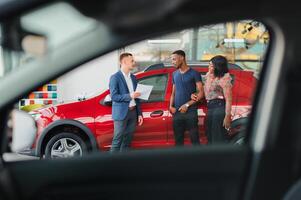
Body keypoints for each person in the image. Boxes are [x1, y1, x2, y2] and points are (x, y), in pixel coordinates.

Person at [192, 55, 232, 144]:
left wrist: (227, 116)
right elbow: (204, 91)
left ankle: (219, 157)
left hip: (219, 107)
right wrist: (194, 94)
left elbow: (229, 99)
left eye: (211, 65)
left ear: (218, 66)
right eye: (209, 65)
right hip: (210, 108)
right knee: (209, 134)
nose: (209, 67)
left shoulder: (224, 79)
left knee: (217, 136)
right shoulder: (209, 77)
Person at [109, 52, 143, 152]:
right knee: (117, 141)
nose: (134, 62)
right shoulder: (115, 77)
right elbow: (114, 96)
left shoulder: (133, 77)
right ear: (124, 62)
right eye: (132, 61)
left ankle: (122, 164)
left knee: (127, 141)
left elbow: (137, 98)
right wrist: (130, 96)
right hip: (121, 114)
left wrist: (139, 113)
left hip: (133, 113)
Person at [169, 50, 204, 146]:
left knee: (194, 140)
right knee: (178, 141)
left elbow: (201, 93)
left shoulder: (194, 73)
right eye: (171, 60)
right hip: (177, 112)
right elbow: (173, 93)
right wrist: (171, 106)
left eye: (174, 59)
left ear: (182, 58)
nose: (172, 62)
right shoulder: (174, 74)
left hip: (191, 112)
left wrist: (187, 105)